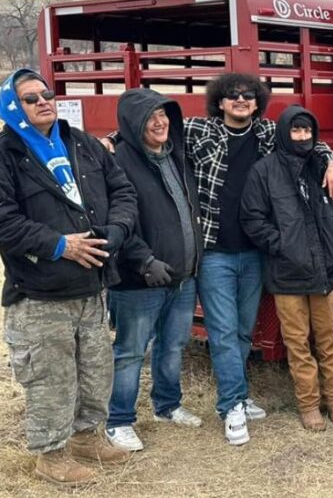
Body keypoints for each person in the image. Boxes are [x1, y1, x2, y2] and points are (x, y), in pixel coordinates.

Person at [103, 73, 333, 445]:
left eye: (248, 95)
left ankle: (241, 397)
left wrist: (331, 161)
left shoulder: (266, 135)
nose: (241, 100)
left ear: (257, 101)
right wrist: (112, 139)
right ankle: (231, 406)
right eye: (232, 95)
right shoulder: (199, 130)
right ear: (220, 101)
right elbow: (144, 130)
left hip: (254, 251)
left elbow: (309, 141)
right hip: (213, 251)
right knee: (224, 332)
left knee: (244, 331)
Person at [0, 69, 138, 485]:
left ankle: (85, 437)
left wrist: (115, 233)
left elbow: (123, 192)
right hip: (40, 294)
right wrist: (60, 245)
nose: (44, 101)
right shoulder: (0, 155)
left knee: (95, 370)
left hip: (92, 287)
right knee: (51, 378)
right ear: (12, 106)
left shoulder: (79, 142)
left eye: (46, 93)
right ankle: (51, 455)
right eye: (31, 98)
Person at [105, 88, 203, 452]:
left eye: (163, 114)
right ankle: (118, 421)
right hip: (138, 280)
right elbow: (114, 222)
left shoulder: (176, 156)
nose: (160, 122)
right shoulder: (118, 162)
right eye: (150, 117)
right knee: (130, 351)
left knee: (173, 345)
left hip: (182, 276)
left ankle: (167, 405)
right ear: (133, 124)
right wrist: (143, 260)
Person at [241, 106, 333, 431]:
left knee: (329, 339)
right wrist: (283, 246)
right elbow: (252, 219)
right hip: (287, 275)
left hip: (323, 273)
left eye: (307, 131)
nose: (302, 137)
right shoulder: (265, 171)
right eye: (296, 131)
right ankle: (309, 404)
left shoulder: (322, 166)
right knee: (298, 344)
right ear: (284, 133)